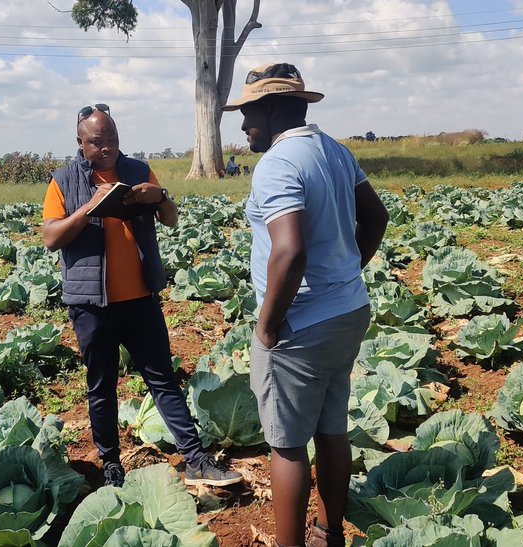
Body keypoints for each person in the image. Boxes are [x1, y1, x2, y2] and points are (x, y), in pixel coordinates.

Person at [223, 64, 389, 547]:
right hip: (347, 313)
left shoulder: (278, 163)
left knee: (288, 445)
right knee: (331, 430)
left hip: (301, 326)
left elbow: (289, 250)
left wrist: (268, 326)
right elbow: (376, 218)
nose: (243, 124)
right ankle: (328, 531)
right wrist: (345, 273)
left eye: (248, 112)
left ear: (273, 109)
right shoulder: (335, 150)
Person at [41, 104, 243, 489]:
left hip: (140, 299)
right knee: (101, 385)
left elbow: (170, 218)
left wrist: (160, 195)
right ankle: (111, 465)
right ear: (81, 144)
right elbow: (51, 238)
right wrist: (90, 207)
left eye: (113, 139)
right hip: (91, 306)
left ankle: (196, 459)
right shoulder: (63, 181)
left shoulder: (138, 171)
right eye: (98, 142)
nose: (108, 148)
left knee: (162, 380)